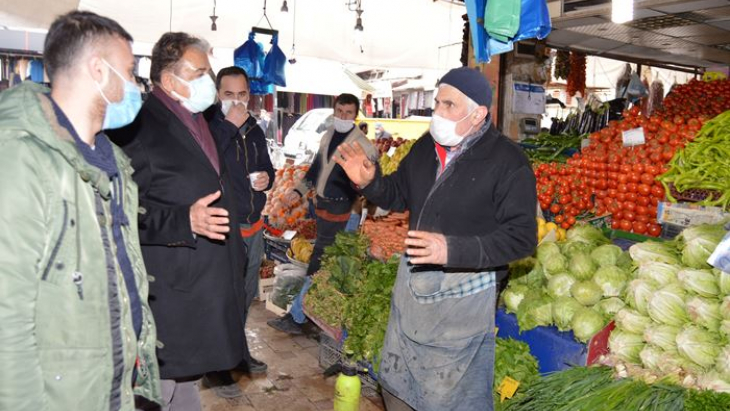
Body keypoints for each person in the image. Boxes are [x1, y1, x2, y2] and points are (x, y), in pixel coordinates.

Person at [334, 67, 537, 411]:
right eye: (437, 103)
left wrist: (452, 249)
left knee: (449, 398)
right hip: (412, 289)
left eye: (449, 105)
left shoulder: (507, 161)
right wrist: (369, 182)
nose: (437, 114)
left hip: (462, 299)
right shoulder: (428, 146)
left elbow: (522, 238)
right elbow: (398, 194)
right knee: (397, 385)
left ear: (479, 114)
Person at [0, 11, 161, 410]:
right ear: (97, 69)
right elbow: (7, 318)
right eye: (129, 71)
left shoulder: (113, 162)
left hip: (109, 388)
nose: (136, 85)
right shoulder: (20, 159)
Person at [108, 33, 249, 408]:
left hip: (203, 285)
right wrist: (182, 220)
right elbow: (117, 212)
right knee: (160, 387)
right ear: (170, 81)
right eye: (201, 71)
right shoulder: (139, 128)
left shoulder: (197, 117)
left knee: (185, 383)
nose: (210, 79)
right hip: (170, 293)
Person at [267, 93, 378, 335]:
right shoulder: (328, 136)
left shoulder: (363, 146)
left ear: (356, 115)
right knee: (325, 263)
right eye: (340, 111)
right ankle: (312, 317)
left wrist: (364, 211)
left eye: (348, 112)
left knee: (321, 263)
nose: (343, 116)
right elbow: (317, 168)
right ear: (334, 111)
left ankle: (298, 317)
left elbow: (372, 183)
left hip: (346, 212)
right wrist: (298, 191)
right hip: (324, 209)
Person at [205, 65, 275, 374]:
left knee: (245, 296)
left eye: (242, 94)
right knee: (223, 298)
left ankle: (238, 352)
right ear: (217, 95)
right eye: (229, 94)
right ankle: (217, 364)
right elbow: (205, 165)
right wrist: (228, 128)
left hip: (254, 227)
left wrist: (266, 179)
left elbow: (266, 167)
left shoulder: (255, 129)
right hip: (224, 229)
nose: (236, 101)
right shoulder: (208, 127)